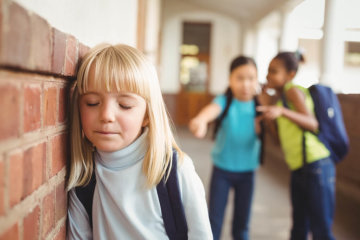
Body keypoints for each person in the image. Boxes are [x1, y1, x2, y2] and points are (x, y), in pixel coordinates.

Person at [66, 43, 213, 240]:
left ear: (147, 115)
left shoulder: (175, 172)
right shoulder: (82, 182)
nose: (107, 115)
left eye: (125, 105)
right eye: (92, 102)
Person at [257, 51, 336, 240]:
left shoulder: (292, 90)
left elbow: (312, 123)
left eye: (273, 71)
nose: (268, 76)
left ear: (290, 75)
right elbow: (278, 142)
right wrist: (269, 115)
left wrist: (281, 111)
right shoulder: (279, 97)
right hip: (299, 167)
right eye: (268, 71)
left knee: (321, 229)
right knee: (299, 226)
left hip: (316, 165)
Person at [189, 56, 262, 240]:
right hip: (222, 170)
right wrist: (201, 120)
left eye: (251, 78)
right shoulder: (224, 100)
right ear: (230, 79)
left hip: (248, 173)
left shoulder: (260, 105)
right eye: (240, 78)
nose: (246, 84)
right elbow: (211, 111)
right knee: (214, 220)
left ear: (257, 80)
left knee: (242, 224)